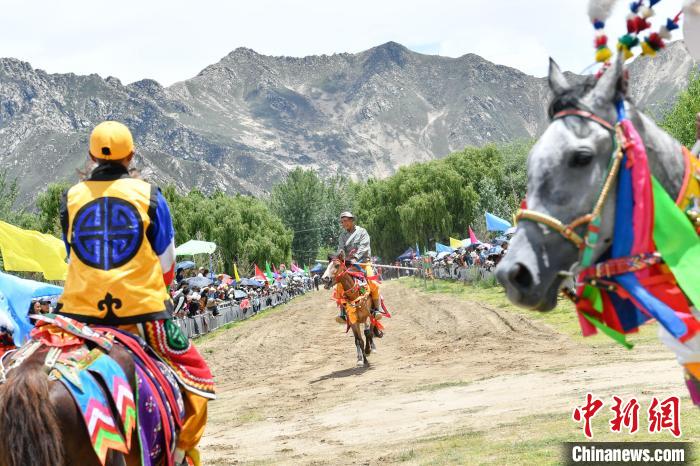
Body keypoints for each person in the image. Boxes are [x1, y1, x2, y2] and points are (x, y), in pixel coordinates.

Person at [56, 121, 214, 466]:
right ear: (131, 156)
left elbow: (71, 257)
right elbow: (167, 263)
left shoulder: (71, 198)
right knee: (197, 376)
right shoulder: (150, 196)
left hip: (79, 318)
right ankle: (180, 451)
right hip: (142, 316)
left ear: (91, 156)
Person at [335, 212, 381, 323]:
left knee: (373, 283)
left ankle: (376, 310)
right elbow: (341, 249)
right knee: (339, 285)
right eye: (342, 222)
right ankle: (343, 313)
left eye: (346, 221)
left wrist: (356, 257)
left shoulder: (362, 232)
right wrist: (340, 256)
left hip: (363, 263)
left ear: (352, 220)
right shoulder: (342, 236)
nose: (344, 223)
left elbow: (364, 246)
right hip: (349, 265)